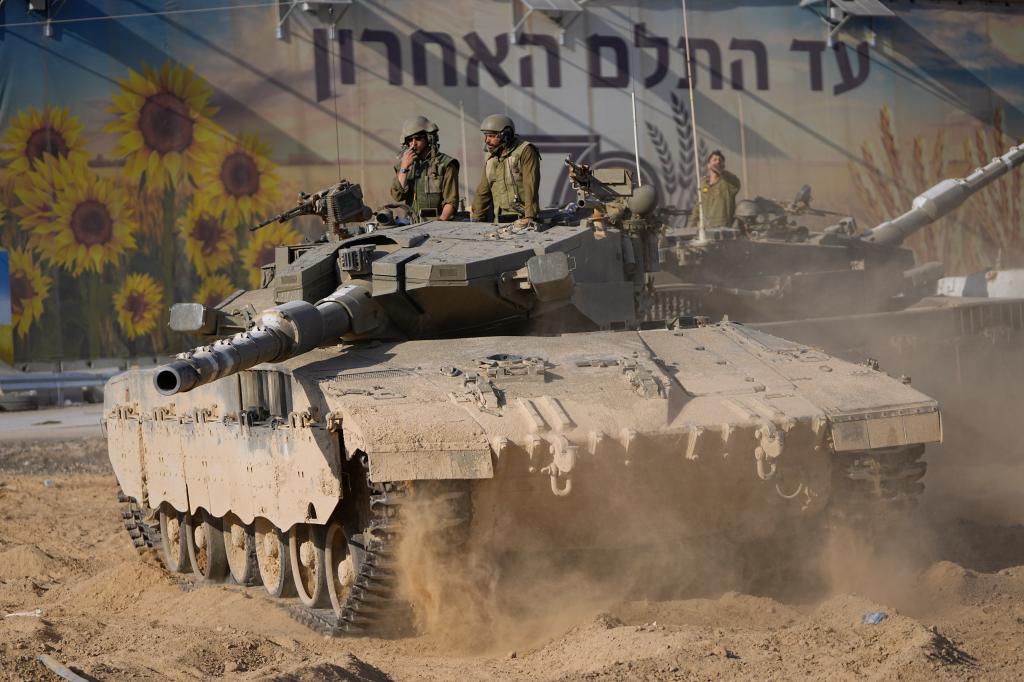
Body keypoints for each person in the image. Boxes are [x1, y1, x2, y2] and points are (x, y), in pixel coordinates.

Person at [471, 114, 540, 223]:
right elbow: (483, 190)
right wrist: (476, 218)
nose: (486, 141)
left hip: (521, 220)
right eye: (485, 136)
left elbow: (530, 185)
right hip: (498, 221)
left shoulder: (525, 151)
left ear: (505, 135)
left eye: (491, 136)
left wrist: (529, 217)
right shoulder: (492, 157)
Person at [391, 115, 460, 221]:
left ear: (429, 138)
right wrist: (404, 168)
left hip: (438, 224)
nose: (413, 144)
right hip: (411, 225)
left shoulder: (446, 164)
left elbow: (451, 201)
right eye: (410, 140)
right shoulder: (405, 165)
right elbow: (398, 195)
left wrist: (440, 222)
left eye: (418, 138)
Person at [688, 149, 741, 228]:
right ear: (708, 165)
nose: (718, 162)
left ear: (723, 165)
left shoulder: (728, 183)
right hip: (705, 228)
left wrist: (721, 171)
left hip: (723, 228)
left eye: (720, 160)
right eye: (715, 160)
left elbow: (736, 182)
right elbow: (698, 206)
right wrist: (690, 226)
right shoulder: (703, 183)